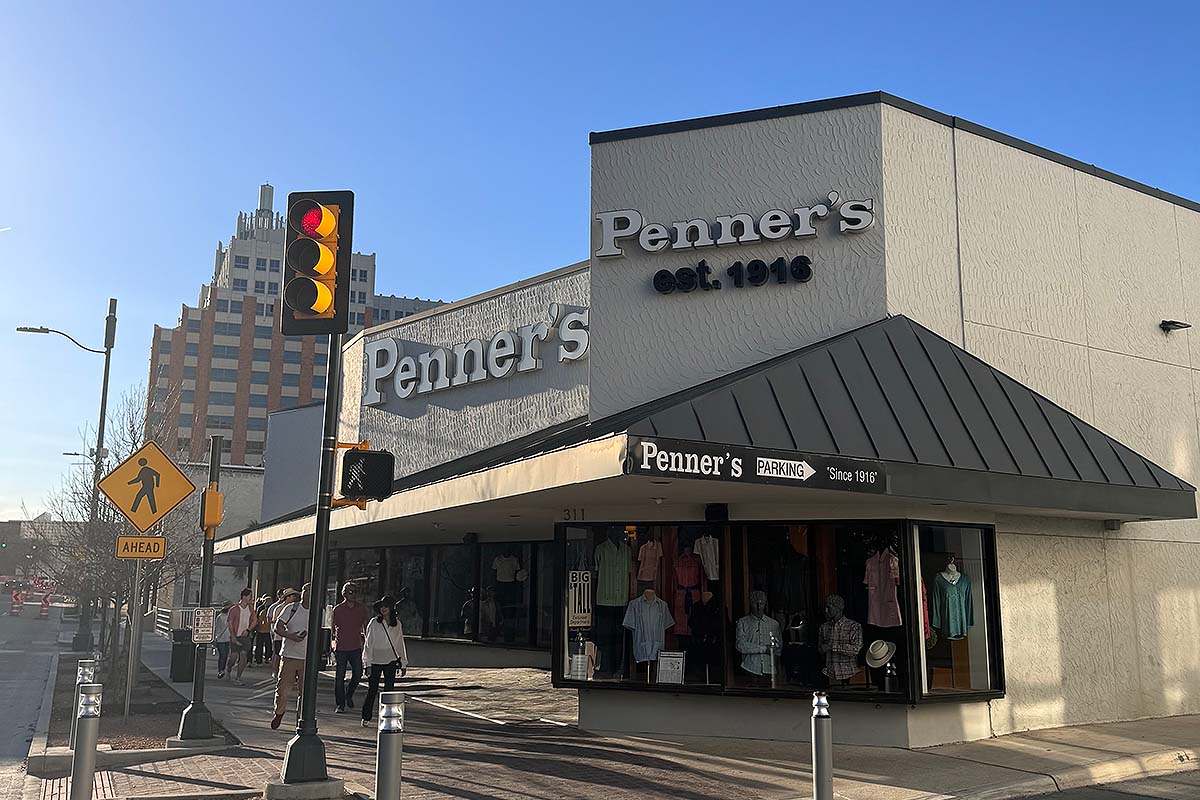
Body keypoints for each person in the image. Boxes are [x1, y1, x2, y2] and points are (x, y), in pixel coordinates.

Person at [361, 595, 408, 727]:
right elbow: (368, 644)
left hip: (391, 660)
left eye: (386, 606)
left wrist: (403, 663)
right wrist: (367, 663)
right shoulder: (374, 623)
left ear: (391, 608)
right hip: (375, 660)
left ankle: (387, 717)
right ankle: (366, 716)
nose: (383, 609)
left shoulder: (397, 624)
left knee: (389, 690)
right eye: (381, 606)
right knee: (372, 689)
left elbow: (400, 644)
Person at [272, 582, 311, 730]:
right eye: (305, 591)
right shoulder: (292, 608)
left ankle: (301, 720)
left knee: (305, 692)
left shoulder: (318, 612)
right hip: (289, 655)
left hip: (307, 658)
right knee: (282, 688)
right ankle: (279, 712)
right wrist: (290, 635)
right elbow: (278, 627)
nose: (307, 595)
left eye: (310, 592)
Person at [331, 582, 369, 713]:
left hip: (355, 647)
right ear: (344, 594)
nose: (353, 594)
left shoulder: (361, 608)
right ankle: (340, 704)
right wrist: (331, 645)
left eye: (355, 592)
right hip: (341, 647)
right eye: (350, 592)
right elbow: (331, 629)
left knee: (358, 674)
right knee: (339, 677)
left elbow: (365, 627)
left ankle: (349, 694)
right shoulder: (338, 609)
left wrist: (366, 643)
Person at [226, 588, 257, 685]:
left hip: (245, 636)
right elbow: (230, 623)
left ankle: (238, 677)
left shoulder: (251, 608)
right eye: (249, 596)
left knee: (243, 656)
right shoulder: (234, 609)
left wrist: (248, 630)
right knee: (233, 656)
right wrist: (233, 636)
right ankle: (229, 668)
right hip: (236, 635)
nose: (251, 598)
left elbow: (255, 620)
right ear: (244, 597)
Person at [266, 588, 293, 674]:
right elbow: (272, 621)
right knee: (277, 653)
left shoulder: (293, 607)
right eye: (292, 596)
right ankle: (275, 671)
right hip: (278, 635)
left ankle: (282, 672)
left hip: (289, 636)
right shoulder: (278, 608)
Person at [213, 602, 231, 679]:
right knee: (223, 655)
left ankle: (222, 669)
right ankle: (221, 670)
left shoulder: (229, 616)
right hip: (220, 638)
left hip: (227, 638)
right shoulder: (220, 617)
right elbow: (218, 628)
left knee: (225, 655)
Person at [253, 596, 272, 665]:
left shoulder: (262, 610)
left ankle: (259, 659)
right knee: (267, 645)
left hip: (262, 630)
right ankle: (265, 658)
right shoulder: (270, 610)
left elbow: (259, 620)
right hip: (266, 630)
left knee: (260, 645)